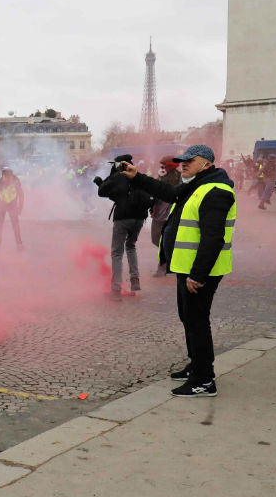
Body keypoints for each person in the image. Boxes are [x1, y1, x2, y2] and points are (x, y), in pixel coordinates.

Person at [122, 144, 235, 397]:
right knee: (189, 318)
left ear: (206, 163)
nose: (183, 164)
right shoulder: (198, 184)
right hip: (187, 267)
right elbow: (169, 192)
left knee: (197, 322)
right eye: (181, 161)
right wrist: (137, 176)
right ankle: (196, 365)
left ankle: (204, 380)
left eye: (189, 161)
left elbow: (213, 238)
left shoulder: (216, 191)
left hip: (200, 271)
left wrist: (198, 275)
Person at [95, 155, 153, 298]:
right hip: (139, 219)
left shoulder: (118, 177)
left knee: (116, 253)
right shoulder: (139, 176)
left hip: (122, 218)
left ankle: (115, 289)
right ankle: (135, 280)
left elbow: (102, 191)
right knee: (131, 246)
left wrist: (102, 181)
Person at [0, 167, 24, 247]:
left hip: (13, 206)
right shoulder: (0, 183)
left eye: (8, 176)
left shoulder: (16, 183)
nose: (7, 178)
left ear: (11, 176)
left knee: (15, 225)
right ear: (3, 176)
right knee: (0, 224)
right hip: (2, 205)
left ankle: (19, 243)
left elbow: (21, 195)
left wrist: (20, 208)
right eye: (5, 176)